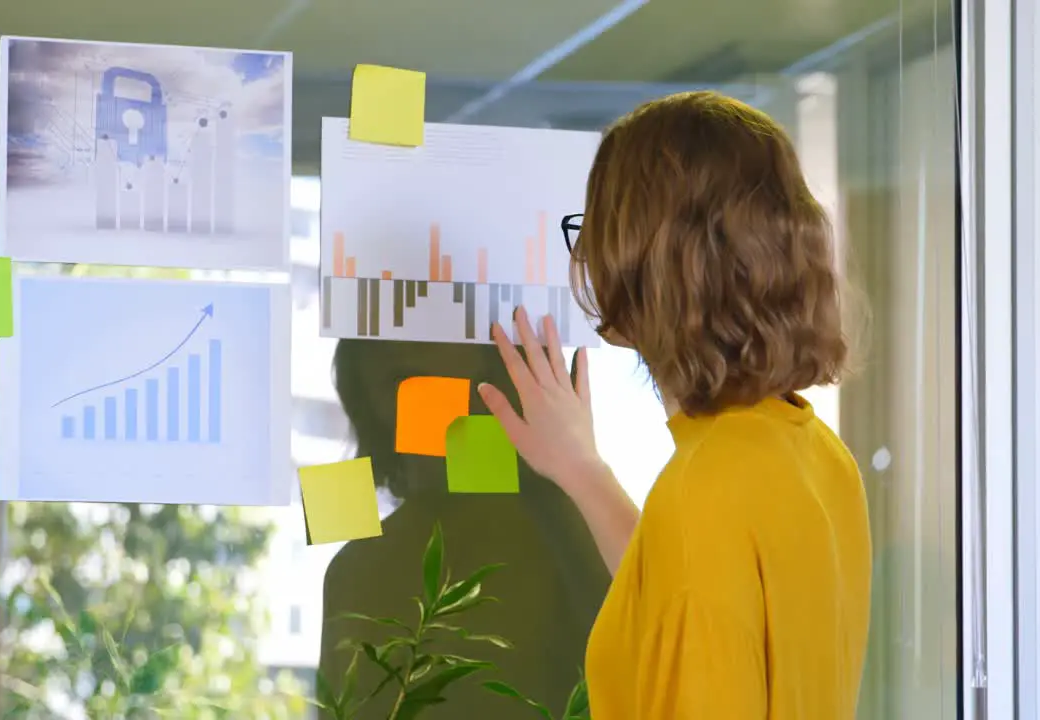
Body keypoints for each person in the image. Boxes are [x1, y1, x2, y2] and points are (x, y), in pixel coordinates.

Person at [479, 90, 872, 718]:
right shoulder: (814, 453)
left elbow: (696, 571)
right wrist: (585, 472)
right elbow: (690, 595)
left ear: (643, 265)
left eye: (597, 231)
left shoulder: (702, 498)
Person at [317, 340, 611, 717]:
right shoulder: (353, 569)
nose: (401, 343)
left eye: (432, 320)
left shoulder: (555, 528)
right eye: (374, 337)